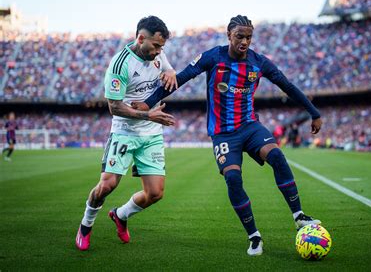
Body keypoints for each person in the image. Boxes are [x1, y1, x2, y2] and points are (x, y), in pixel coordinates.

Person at [132, 15, 323, 256]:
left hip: (250, 126)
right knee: (233, 178)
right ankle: (254, 237)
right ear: (229, 36)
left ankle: (299, 216)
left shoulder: (259, 63)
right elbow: (180, 79)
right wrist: (148, 103)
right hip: (223, 134)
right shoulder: (213, 57)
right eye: (240, 36)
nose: (245, 41)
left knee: (277, 157)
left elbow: (288, 86)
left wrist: (313, 112)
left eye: (249, 37)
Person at [75, 16, 178, 251]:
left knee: (155, 193)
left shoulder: (157, 53)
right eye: (156, 46)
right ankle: (85, 225)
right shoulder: (120, 64)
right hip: (124, 132)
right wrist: (148, 115)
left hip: (151, 134)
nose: (160, 51)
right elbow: (115, 107)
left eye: (162, 47)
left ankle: (120, 215)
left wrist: (171, 71)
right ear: (141, 38)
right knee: (107, 185)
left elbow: (167, 66)